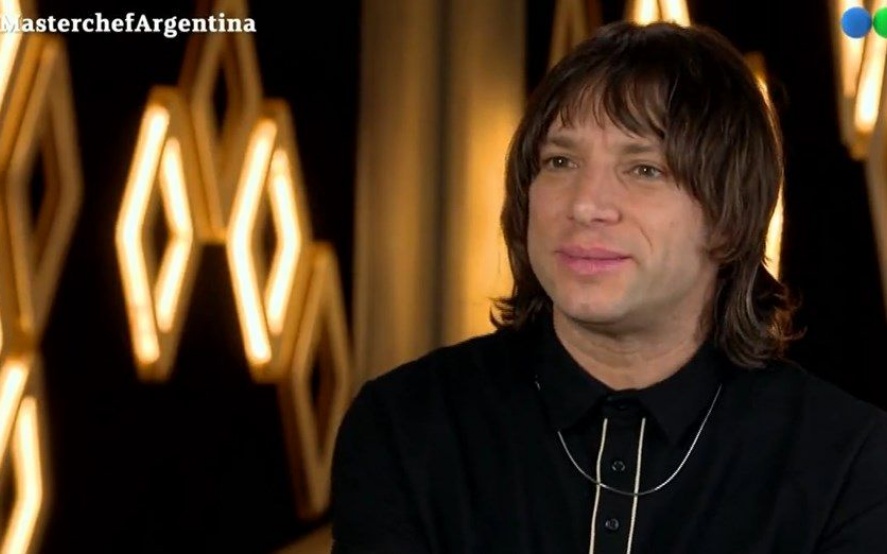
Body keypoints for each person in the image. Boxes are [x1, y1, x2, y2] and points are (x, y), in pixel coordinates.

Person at [330, 20, 887, 553]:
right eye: (560, 161)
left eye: (644, 169)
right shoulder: (407, 424)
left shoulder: (846, 460)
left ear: (729, 216)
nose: (585, 205)